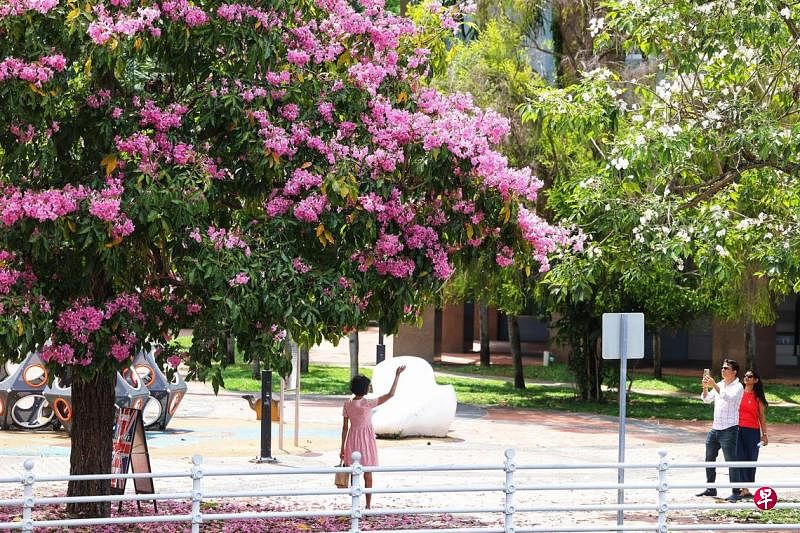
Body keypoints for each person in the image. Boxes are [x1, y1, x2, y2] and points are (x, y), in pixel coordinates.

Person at [340, 364, 406, 509]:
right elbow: (390, 395)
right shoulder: (367, 403)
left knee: (354, 475)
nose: (370, 388)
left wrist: (342, 448)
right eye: (368, 386)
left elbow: (345, 428)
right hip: (366, 440)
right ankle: (368, 505)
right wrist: (397, 375)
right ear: (364, 388)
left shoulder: (347, 404)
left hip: (352, 439)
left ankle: (355, 505)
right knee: (368, 475)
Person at [696, 358, 743, 499]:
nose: (723, 370)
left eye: (726, 368)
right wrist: (705, 387)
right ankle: (711, 488)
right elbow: (706, 399)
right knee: (709, 458)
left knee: (731, 460)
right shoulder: (721, 384)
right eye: (722, 368)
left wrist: (714, 385)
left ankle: (736, 492)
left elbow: (729, 398)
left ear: (734, 372)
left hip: (729, 428)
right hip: (715, 428)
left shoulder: (738, 387)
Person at [730, 369, 769, 501]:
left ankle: (746, 488)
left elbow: (762, 417)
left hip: (752, 431)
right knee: (739, 457)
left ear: (755, 380)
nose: (746, 378)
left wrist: (764, 434)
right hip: (738, 429)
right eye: (745, 376)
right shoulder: (738, 393)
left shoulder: (758, 398)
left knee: (751, 458)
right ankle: (743, 489)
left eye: (750, 376)